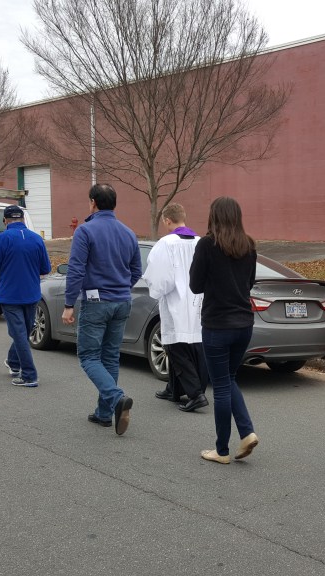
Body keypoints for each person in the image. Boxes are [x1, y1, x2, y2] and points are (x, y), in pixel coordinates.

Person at [62, 184, 143, 436]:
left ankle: (115, 397)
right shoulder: (129, 233)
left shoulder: (85, 231)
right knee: (110, 357)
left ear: (93, 203)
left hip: (97, 302)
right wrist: (121, 287)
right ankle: (104, 412)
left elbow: (75, 269)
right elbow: (136, 271)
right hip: (122, 301)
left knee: (88, 356)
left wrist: (68, 304)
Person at [189, 196, 259, 464]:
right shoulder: (249, 245)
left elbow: (195, 285)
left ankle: (222, 450)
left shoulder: (207, 244)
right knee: (229, 379)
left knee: (219, 386)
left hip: (217, 324)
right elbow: (249, 282)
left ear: (214, 216)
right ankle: (247, 432)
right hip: (244, 323)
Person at [144, 203, 209, 412]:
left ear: (167, 220)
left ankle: (195, 393)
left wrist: (154, 289)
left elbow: (160, 277)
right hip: (197, 300)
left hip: (176, 300)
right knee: (194, 345)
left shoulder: (166, 243)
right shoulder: (200, 241)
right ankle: (173, 388)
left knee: (175, 347)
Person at [0, 205, 52, 388]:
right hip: (31, 293)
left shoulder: (1, 239)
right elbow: (46, 268)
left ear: (5, 221)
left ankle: (29, 374)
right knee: (24, 331)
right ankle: (14, 363)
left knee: (20, 333)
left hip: (10, 294)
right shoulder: (37, 239)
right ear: (22, 219)